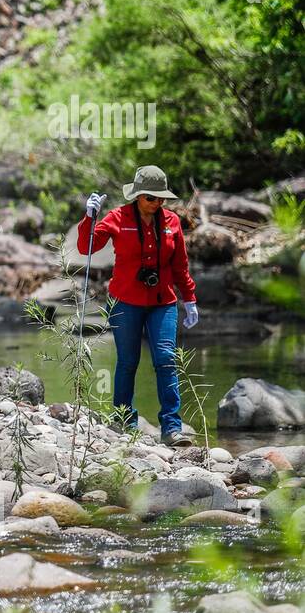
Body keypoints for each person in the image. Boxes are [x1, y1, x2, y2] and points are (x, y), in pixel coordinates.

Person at [79, 165, 198, 446]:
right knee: (128, 362)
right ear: (138, 196)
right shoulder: (118, 218)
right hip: (125, 301)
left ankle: (172, 427)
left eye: (161, 199)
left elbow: (180, 265)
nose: (157, 204)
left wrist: (190, 298)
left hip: (162, 302)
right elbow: (87, 247)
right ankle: (124, 422)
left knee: (166, 360)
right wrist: (89, 218)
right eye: (151, 198)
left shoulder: (171, 222)